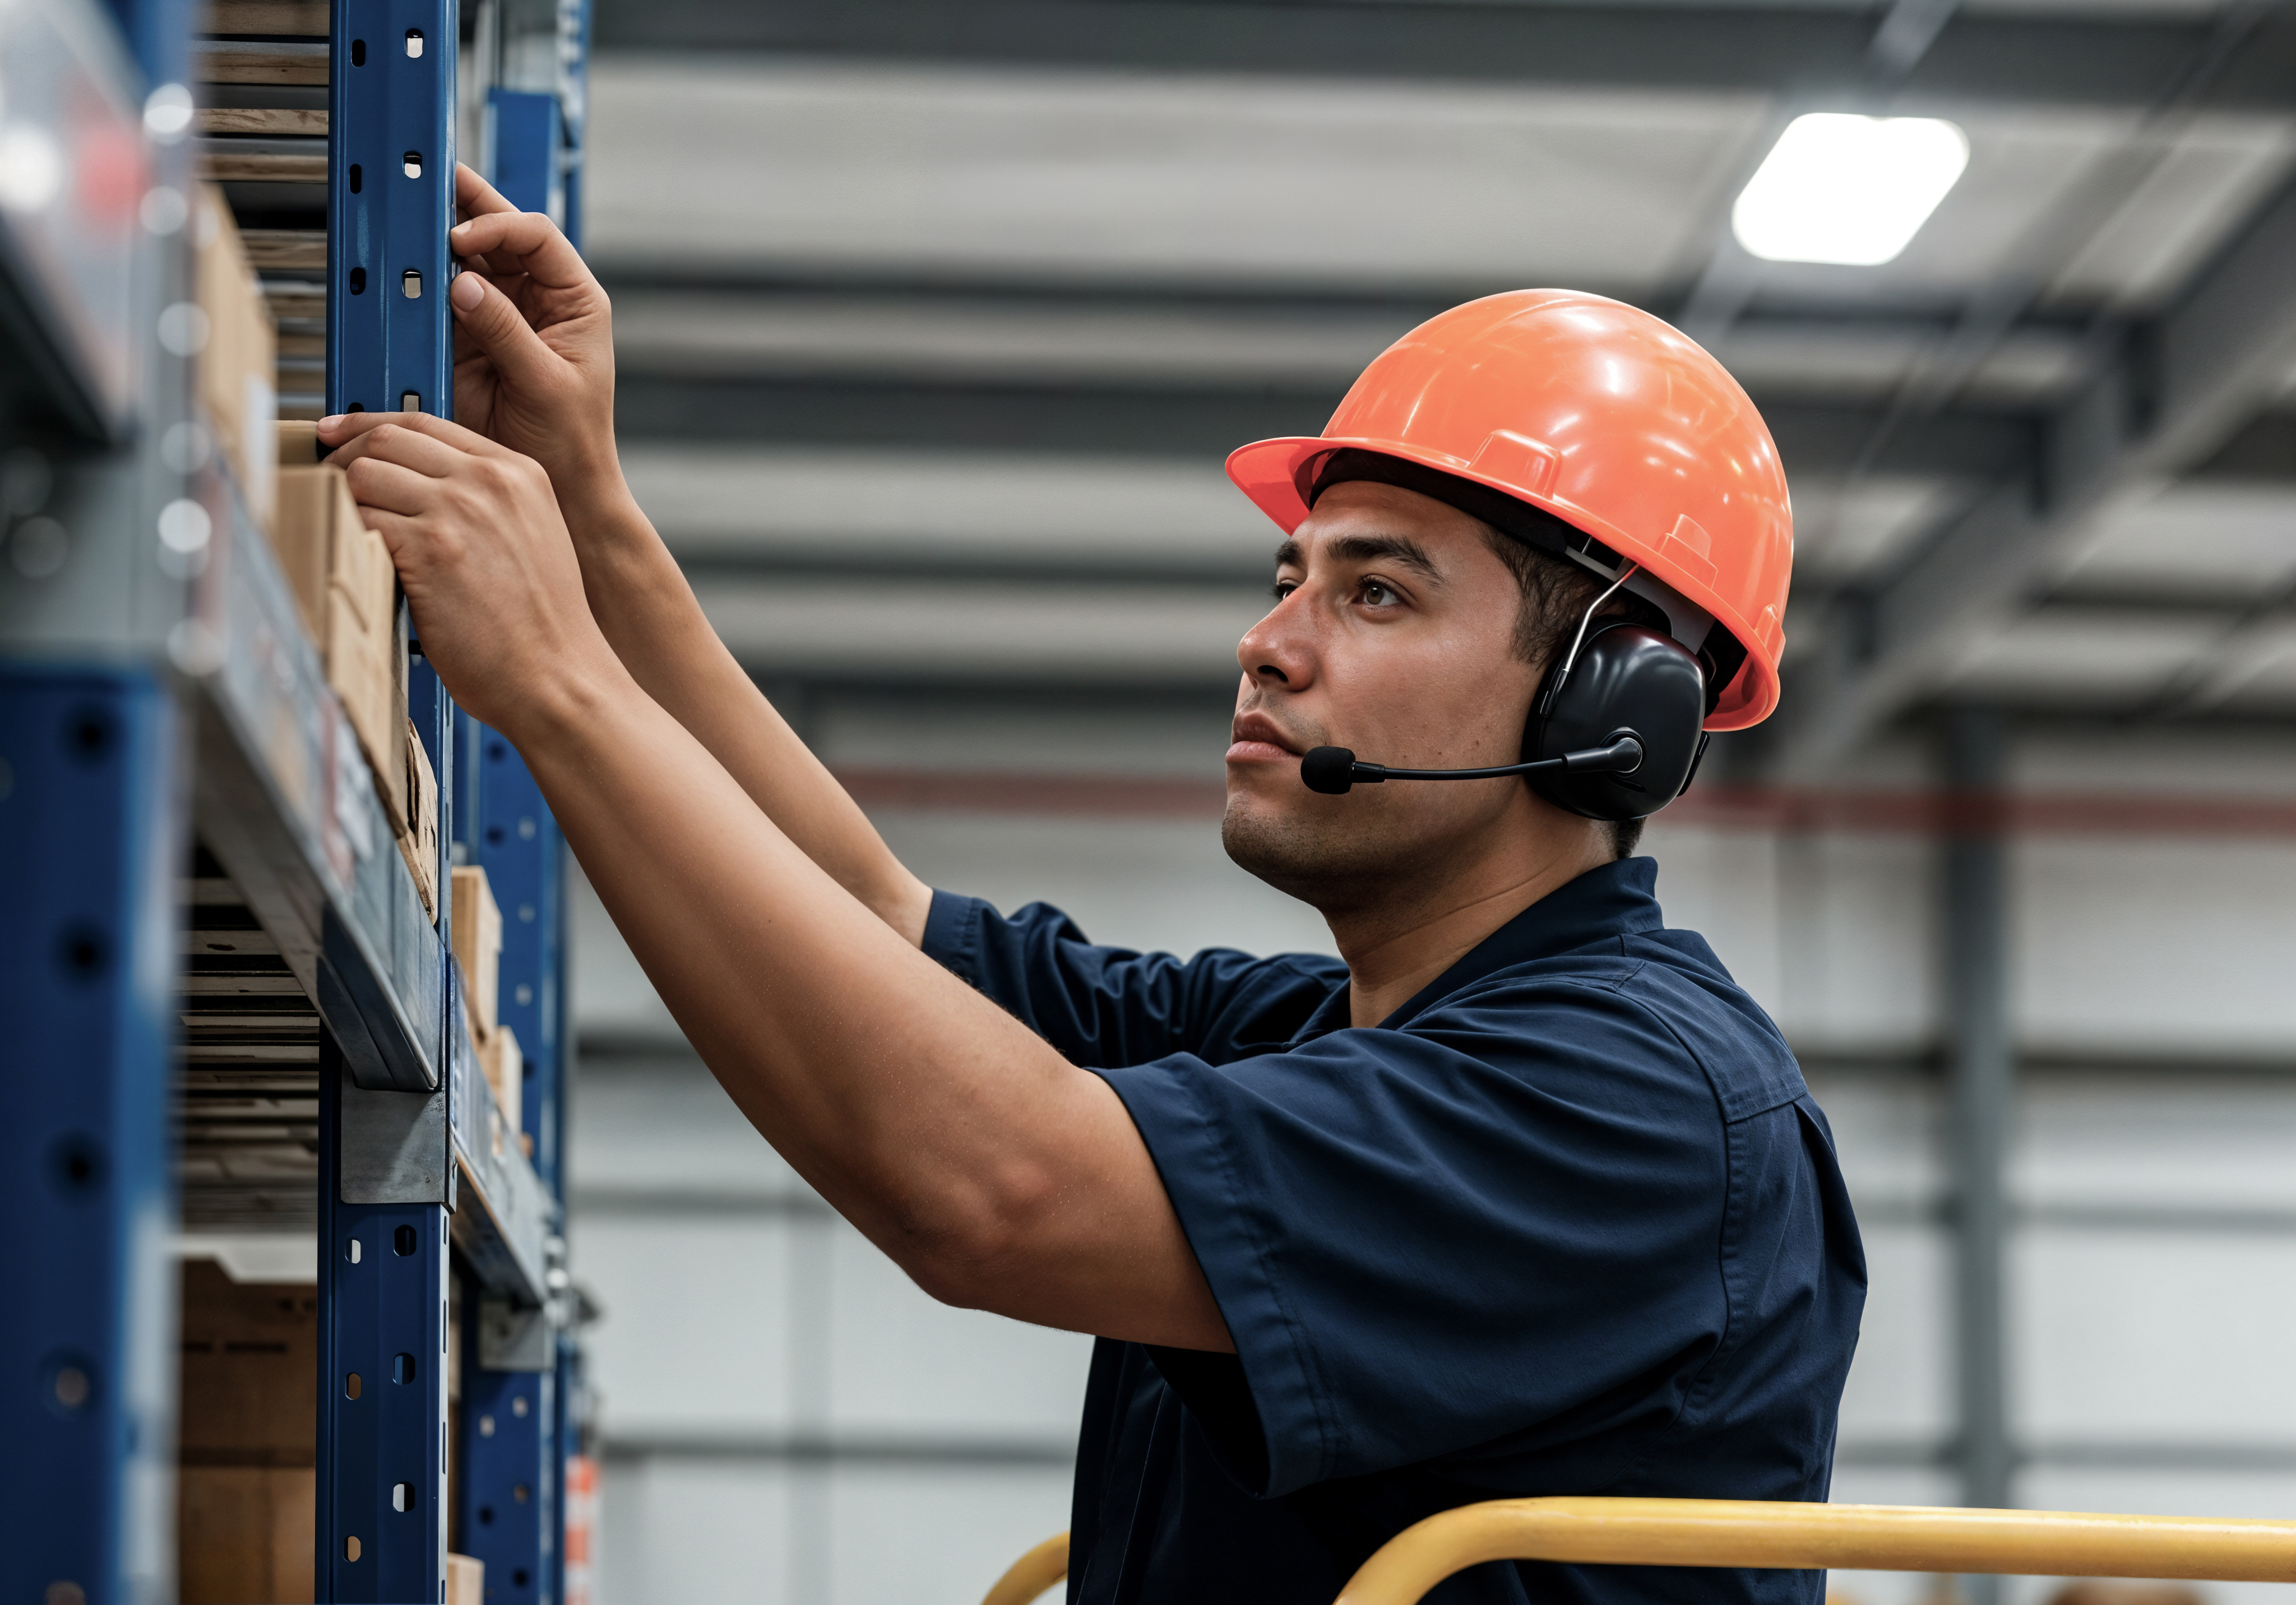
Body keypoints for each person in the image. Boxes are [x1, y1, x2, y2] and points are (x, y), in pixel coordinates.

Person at [318, 164, 1866, 1605]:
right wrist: (586, 510)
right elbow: (871, 922)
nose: (1273, 644)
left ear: (1614, 710)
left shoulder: (1632, 1105)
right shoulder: (1319, 1040)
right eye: (1289, 581)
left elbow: (993, 1192)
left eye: (1377, 592)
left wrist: (559, 688)